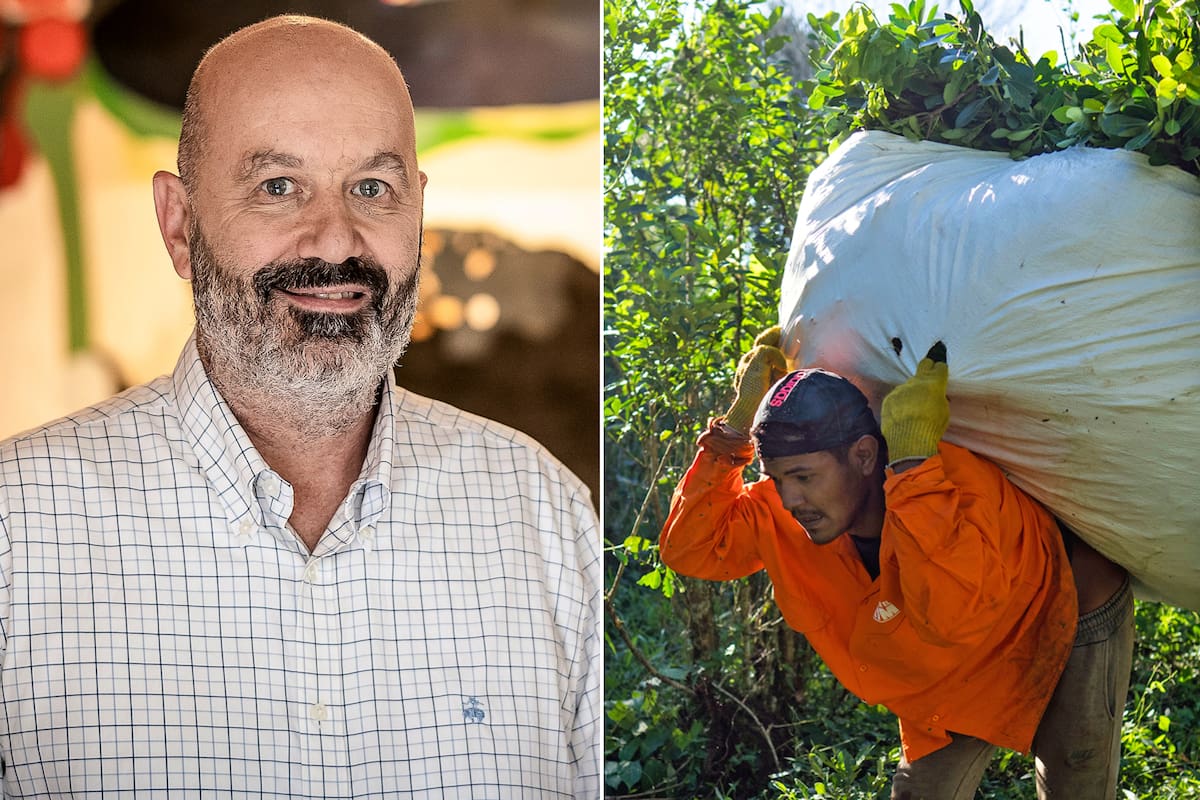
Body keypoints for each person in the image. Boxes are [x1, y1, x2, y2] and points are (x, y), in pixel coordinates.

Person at [0, 16, 600, 798]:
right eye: (279, 187)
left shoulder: (547, 515)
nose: (335, 240)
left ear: (417, 209)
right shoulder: (18, 528)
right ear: (179, 225)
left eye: (373, 189)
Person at [659, 328, 1133, 799]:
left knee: (1076, 776)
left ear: (864, 455)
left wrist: (912, 472)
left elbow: (955, 614)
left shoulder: (954, 485)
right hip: (947, 680)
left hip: (1063, 612)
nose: (790, 498)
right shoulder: (784, 509)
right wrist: (736, 431)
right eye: (778, 477)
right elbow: (690, 548)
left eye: (804, 476)